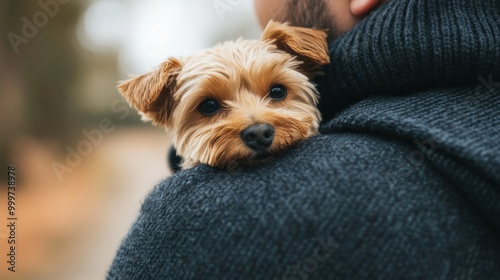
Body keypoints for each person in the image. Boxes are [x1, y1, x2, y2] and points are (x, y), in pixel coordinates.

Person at [107, 0, 500, 279]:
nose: (256, 123)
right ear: (162, 109)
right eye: (210, 106)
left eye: (277, 93)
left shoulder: (196, 225)